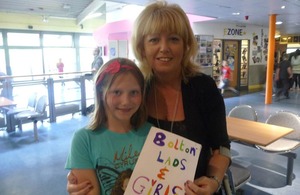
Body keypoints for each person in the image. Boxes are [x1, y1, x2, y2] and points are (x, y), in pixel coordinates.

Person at [67, 1, 231, 195]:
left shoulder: (203, 87)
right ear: (142, 47)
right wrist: (80, 181)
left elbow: (221, 147)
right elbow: (103, 143)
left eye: (174, 39)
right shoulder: (136, 89)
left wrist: (214, 180)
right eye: (154, 40)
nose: (164, 48)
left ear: (185, 45)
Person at [65, 58, 151, 195]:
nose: (126, 101)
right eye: (117, 92)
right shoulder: (84, 139)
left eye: (134, 92)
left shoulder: (152, 135)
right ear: (101, 94)